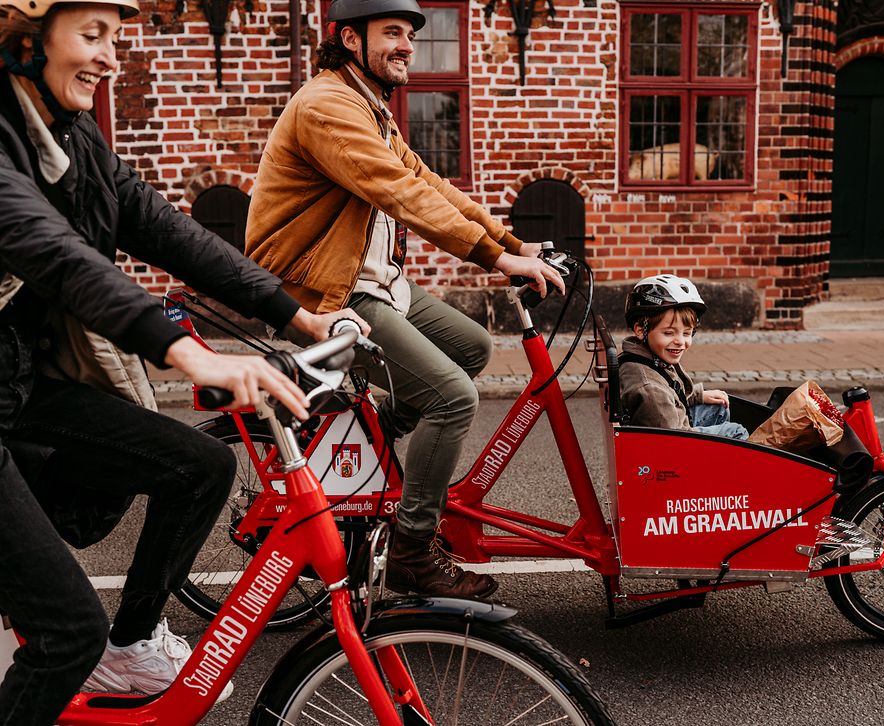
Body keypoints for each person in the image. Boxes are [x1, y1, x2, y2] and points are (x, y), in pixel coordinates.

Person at [0, 1, 368, 722]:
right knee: (68, 634)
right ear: (25, 39)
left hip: (19, 388)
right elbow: (56, 253)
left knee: (198, 465)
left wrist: (298, 317)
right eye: (92, 36)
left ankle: (131, 645)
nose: (111, 57)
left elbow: (165, 229)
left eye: (116, 38)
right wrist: (188, 354)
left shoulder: (70, 137)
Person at [245, 0, 564, 599]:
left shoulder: (372, 110)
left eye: (410, 35)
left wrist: (518, 245)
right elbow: (397, 192)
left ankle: (362, 455)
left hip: (374, 282)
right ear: (348, 38)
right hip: (324, 292)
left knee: (470, 348)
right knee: (452, 397)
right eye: (391, 32)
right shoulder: (327, 106)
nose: (406, 46)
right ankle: (413, 552)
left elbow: (429, 185)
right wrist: (496, 259)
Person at [619, 274, 748, 440]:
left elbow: (671, 391)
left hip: (675, 423)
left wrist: (698, 395)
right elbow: (674, 441)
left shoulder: (649, 357)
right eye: (668, 333)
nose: (680, 341)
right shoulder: (650, 389)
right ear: (641, 330)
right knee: (736, 432)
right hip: (675, 442)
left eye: (687, 333)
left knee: (719, 408)